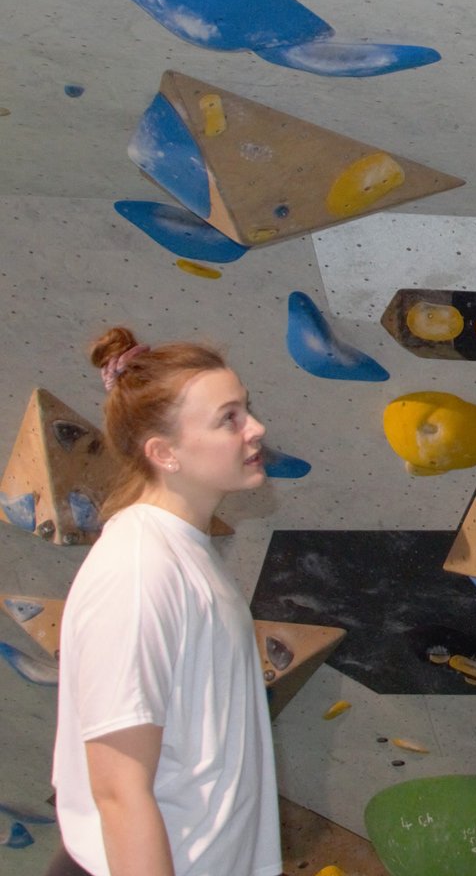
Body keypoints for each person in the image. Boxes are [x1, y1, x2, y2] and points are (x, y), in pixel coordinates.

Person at [48, 329, 281, 876]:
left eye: (246, 408)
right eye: (229, 418)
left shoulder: (182, 553)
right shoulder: (139, 572)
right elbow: (118, 791)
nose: (256, 428)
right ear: (164, 453)